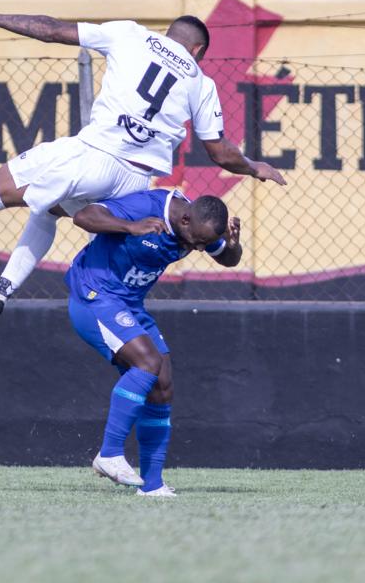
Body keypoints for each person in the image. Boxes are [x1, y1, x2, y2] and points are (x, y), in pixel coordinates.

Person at [0, 0, 284, 322]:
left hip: (94, 155)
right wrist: (254, 167)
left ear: (168, 33)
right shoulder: (202, 82)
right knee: (48, 214)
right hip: (134, 183)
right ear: (199, 53)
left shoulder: (133, 35)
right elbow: (219, 151)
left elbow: (52, 28)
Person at [65, 187, 241, 497]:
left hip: (130, 305)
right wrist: (130, 226)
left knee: (162, 383)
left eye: (204, 244)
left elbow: (227, 258)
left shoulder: (198, 229)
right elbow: (84, 216)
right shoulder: (147, 206)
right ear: (184, 219)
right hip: (95, 296)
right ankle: (109, 453)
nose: (198, 249)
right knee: (147, 362)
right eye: (196, 242)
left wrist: (234, 246)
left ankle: (153, 485)